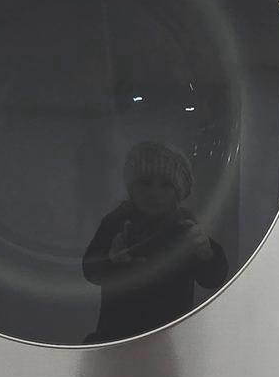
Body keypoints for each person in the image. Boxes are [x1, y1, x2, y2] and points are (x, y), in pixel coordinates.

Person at [81, 141, 230, 342]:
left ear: (178, 192)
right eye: (145, 182)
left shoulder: (184, 227)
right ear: (131, 187)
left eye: (166, 185)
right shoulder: (117, 221)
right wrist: (110, 259)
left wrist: (207, 253)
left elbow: (212, 279)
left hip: (169, 338)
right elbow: (90, 271)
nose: (154, 192)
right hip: (117, 337)